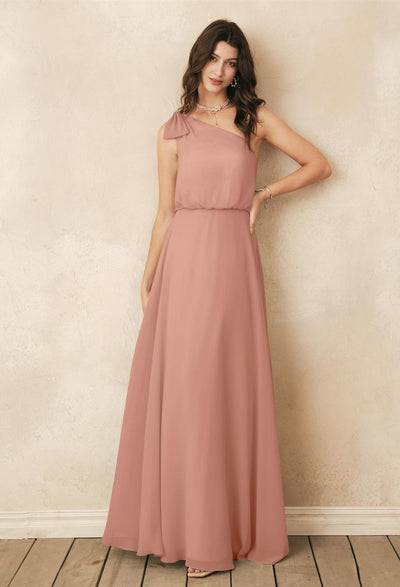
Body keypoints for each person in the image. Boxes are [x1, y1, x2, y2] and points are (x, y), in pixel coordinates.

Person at [101, 19, 331, 579]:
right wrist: (148, 275)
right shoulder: (172, 130)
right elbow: (165, 213)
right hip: (184, 264)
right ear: (198, 58)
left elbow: (319, 164)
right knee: (184, 391)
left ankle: (219, 535)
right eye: (213, 58)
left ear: (239, 69)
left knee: (221, 387)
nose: (220, 70)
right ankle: (181, 530)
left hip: (232, 263)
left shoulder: (253, 118)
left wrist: (263, 194)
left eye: (231, 62)